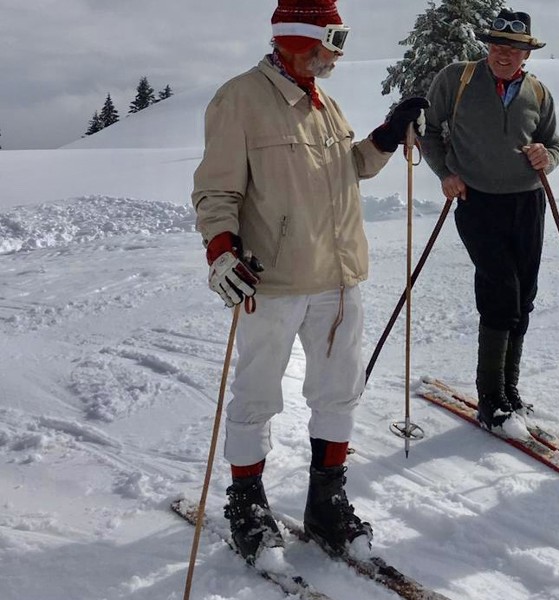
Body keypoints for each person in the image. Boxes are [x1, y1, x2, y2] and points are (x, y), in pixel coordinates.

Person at [191, 0, 427, 563]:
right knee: (257, 393)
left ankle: (326, 500)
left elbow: (352, 168)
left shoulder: (324, 104)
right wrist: (221, 250)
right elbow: (215, 191)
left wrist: (388, 134)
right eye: (333, 41)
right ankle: (247, 500)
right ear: (300, 37)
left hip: (340, 278)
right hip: (273, 281)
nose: (338, 55)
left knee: (339, 389)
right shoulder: (240, 99)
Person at [420, 8, 559, 430]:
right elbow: (429, 131)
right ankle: (490, 399)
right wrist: (445, 173)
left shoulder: (537, 91)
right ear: (487, 46)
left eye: (514, 48)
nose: (504, 53)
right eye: (498, 45)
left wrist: (546, 157)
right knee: (499, 288)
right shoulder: (457, 79)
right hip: (478, 200)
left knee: (524, 296)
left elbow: (553, 142)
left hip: (528, 202)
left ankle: (509, 390)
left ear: (526, 54)